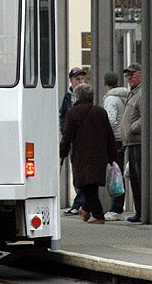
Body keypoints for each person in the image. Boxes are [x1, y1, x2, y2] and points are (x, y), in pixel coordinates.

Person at [59, 83, 118, 225]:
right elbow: (109, 136)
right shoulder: (100, 112)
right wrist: (112, 157)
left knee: (86, 185)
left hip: (82, 155)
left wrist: (62, 154)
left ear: (77, 96)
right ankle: (85, 209)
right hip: (99, 155)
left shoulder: (73, 113)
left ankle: (97, 215)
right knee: (91, 185)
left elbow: (67, 136)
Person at [101, 71, 128, 221]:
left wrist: (104, 134)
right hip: (124, 138)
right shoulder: (126, 96)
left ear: (106, 83)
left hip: (115, 139)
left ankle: (117, 208)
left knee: (115, 173)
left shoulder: (110, 99)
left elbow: (110, 120)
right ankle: (118, 206)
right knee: (121, 172)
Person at [60, 67, 87, 215]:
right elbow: (62, 115)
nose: (81, 81)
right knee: (76, 172)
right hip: (72, 142)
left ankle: (78, 204)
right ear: (71, 81)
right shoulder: (68, 97)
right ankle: (81, 202)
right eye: (78, 79)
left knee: (84, 172)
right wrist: (64, 130)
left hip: (85, 141)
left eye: (83, 79)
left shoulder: (86, 95)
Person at [120, 62, 143, 222]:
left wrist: (132, 128)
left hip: (138, 142)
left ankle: (142, 211)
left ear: (141, 74)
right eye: (128, 75)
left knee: (139, 178)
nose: (129, 78)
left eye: (132, 74)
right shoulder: (133, 93)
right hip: (131, 142)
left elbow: (145, 116)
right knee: (134, 179)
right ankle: (139, 211)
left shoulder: (141, 93)